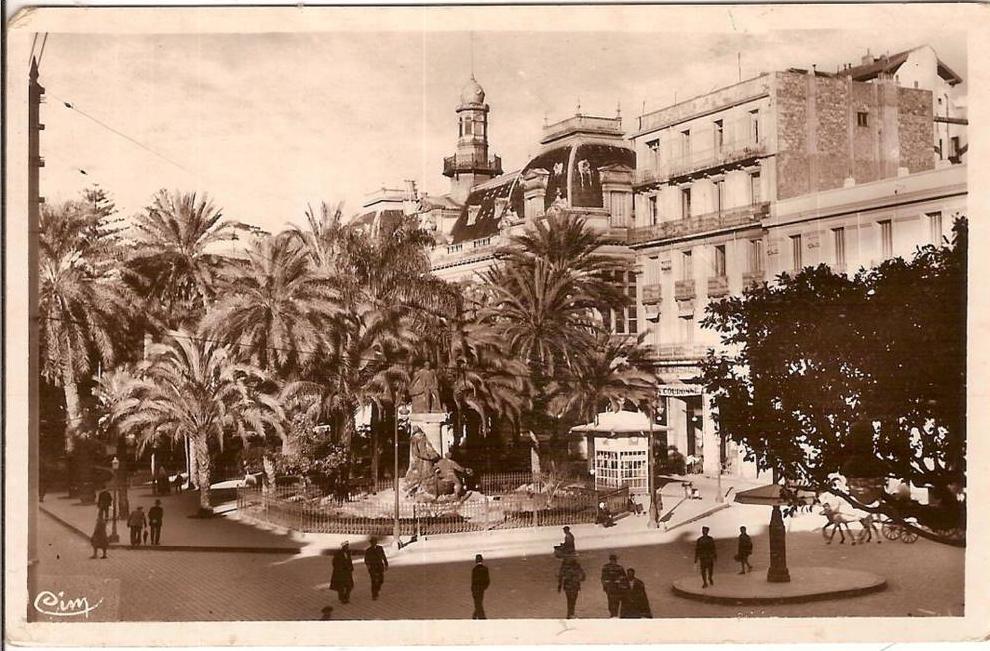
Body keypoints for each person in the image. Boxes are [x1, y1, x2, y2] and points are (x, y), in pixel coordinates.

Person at [557, 553, 586, 619]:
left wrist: (559, 585)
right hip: (574, 585)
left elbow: (561, 576)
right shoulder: (576, 565)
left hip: (568, 585)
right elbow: (583, 575)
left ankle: (570, 613)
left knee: (570, 599)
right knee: (573, 600)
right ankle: (571, 613)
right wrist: (580, 579)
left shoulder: (564, 566)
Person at [600, 553, 626, 618]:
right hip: (610, 587)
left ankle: (615, 614)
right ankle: (612, 613)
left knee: (616, 600)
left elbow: (624, 577)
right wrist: (605, 585)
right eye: (612, 559)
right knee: (611, 600)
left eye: (614, 560)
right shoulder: (606, 567)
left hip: (617, 587)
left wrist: (619, 581)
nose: (613, 561)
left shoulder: (619, 568)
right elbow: (603, 577)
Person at [471, 554, 490, 619]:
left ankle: (480, 616)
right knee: (479, 602)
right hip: (481, 588)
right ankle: (478, 616)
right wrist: (484, 587)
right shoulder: (485, 569)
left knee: (477, 602)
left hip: (475, 588)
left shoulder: (474, 569)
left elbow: (473, 581)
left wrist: (472, 589)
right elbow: (487, 580)